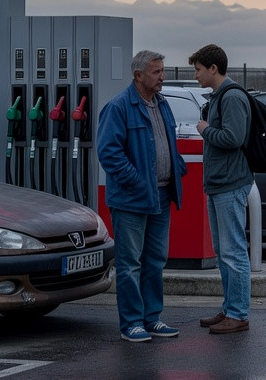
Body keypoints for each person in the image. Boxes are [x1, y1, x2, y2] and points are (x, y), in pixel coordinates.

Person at [96, 50, 187, 343]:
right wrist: (136, 182)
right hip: (131, 200)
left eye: (162, 70)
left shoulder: (163, 105)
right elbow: (108, 153)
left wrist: (178, 168)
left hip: (160, 196)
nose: (162, 76)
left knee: (155, 261)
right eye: (156, 72)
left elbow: (168, 142)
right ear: (138, 75)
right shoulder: (119, 106)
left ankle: (152, 318)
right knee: (130, 263)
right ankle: (132, 323)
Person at [191, 43, 253, 335]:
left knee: (234, 251)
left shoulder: (232, 97)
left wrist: (205, 130)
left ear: (214, 68)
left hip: (230, 184)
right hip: (218, 185)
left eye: (199, 70)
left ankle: (239, 313)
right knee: (222, 250)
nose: (196, 76)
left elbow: (233, 137)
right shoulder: (218, 97)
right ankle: (230, 307)